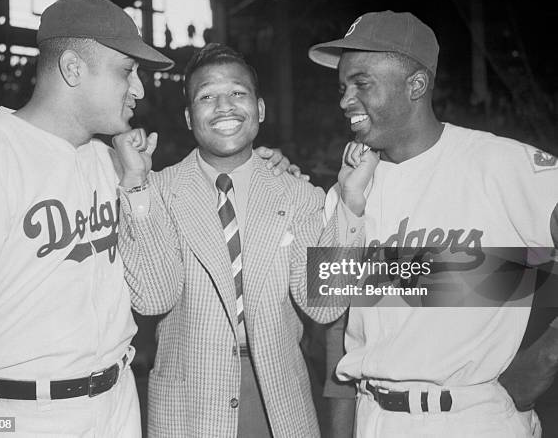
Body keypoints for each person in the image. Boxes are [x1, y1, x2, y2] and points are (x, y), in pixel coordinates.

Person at [0, 0, 291, 437]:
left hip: (118, 401)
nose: (140, 89)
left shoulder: (114, 163)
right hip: (23, 412)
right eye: (126, 71)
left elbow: (159, 283)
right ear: (72, 69)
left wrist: (265, 172)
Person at [307, 10, 558, 437]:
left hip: (472, 416)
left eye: (361, 83)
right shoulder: (346, 192)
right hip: (375, 418)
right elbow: (334, 326)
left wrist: (547, 355)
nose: (345, 99)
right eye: (343, 86)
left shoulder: (500, 164)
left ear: (416, 85)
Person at [113, 43, 375, 438]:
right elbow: (152, 298)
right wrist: (135, 186)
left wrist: (351, 205)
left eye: (238, 93)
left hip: (278, 400)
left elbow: (323, 307)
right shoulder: (158, 191)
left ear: (261, 109)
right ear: (188, 117)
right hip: (189, 404)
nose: (224, 107)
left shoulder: (299, 194)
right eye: (206, 97)